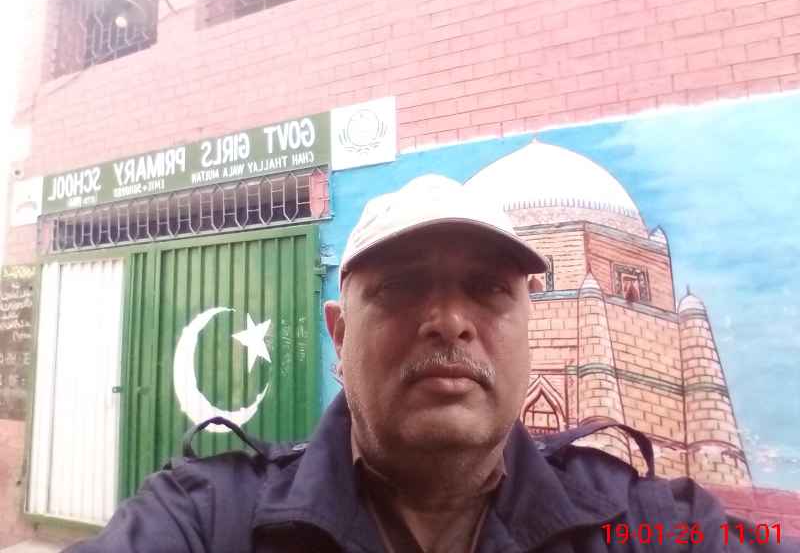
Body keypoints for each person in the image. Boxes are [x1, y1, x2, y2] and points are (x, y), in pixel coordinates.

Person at [67, 175, 795, 552]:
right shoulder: (212, 522)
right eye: (402, 287)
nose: (448, 319)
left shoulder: (637, 524)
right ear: (339, 334)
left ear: (531, 325)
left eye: (488, 289)